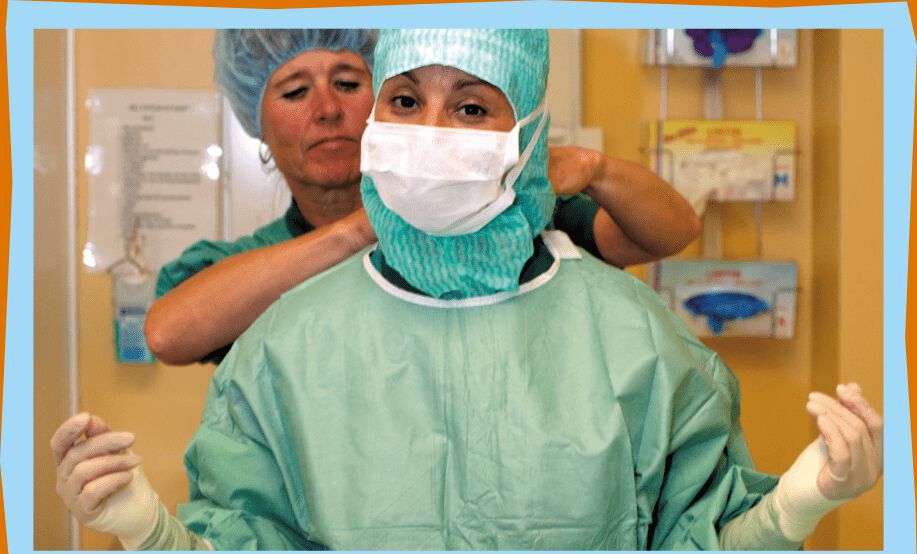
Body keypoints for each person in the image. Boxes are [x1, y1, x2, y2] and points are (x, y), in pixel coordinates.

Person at [53, 29, 881, 551]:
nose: (431, 135)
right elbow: (240, 541)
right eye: (405, 101)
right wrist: (147, 533)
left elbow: (694, 543)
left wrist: (798, 504)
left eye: (473, 108)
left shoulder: (627, 332)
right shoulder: (283, 332)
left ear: (522, 137)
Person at [144, 28, 702, 366]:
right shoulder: (245, 267)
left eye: (348, 82)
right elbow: (169, 333)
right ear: (257, 126)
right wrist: (366, 227)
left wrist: (594, 169)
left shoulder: (501, 218)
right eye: (294, 91)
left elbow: (670, 231)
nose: (328, 110)